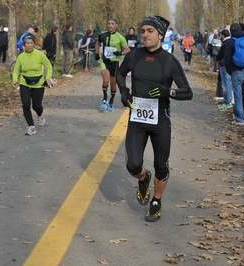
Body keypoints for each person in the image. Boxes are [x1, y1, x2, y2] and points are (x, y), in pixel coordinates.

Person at [116, 15, 193, 222]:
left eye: (150, 31)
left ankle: (157, 200)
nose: (145, 34)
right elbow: (120, 73)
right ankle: (143, 178)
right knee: (133, 165)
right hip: (138, 118)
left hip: (160, 119)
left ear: (160, 35)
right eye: (143, 31)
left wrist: (168, 91)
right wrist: (123, 92)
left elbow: (187, 92)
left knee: (161, 164)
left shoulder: (169, 61)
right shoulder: (134, 56)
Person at [12, 33, 52, 136]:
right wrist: (15, 80)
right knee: (25, 104)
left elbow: (49, 66)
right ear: (24, 45)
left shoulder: (40, 55)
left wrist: (48, 78)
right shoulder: (21, 57)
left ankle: (40, 114)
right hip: (24, 82)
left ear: (34, 44)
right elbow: (16, 71)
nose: (29, 45)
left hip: (38, 83)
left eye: (31, 43)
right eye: (27, 43)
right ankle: (31, 126)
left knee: (36, 105)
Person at [94, 18, 130, 111]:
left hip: (114, 63)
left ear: (116, 25)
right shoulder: (102, 35)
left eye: (112, 23)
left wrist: (120, 53)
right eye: (109, 23)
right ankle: (105, 98)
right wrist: (97, 53)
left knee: (113, 85)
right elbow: (97, 43)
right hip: (105, 61)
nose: (110, 25)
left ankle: (111, 101)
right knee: (106, 80)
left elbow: (127, 49)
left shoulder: (120, 37)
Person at [217, 29, 233, 109]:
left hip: (224, 65)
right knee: (230, 83)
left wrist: (218, 59)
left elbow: (220, 54)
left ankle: (227, 101)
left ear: (223, 35)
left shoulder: (225, 43)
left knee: (226, 84)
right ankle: (230, 100)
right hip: (231, 65)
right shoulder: (232, 41)